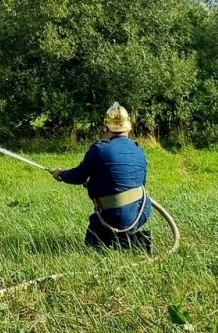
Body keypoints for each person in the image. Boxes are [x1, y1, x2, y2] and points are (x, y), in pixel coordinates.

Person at [52, 102, 152, 253]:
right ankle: (133, 239)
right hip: (141, 211)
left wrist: (61, 174)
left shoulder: (99, 149)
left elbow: (78, 176)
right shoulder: (139, 150)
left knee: (93, 246)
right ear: (128, 128)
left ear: (106, 128)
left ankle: (136, 242)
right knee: (116, 230)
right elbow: (136, 184)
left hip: (113, 215)